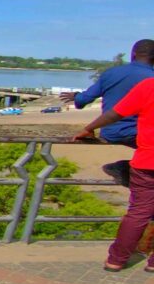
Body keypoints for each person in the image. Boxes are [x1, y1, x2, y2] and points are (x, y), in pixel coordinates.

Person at [73, 77, 154, 273]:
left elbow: (115, 113)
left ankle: (116, 260)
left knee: (138, 213)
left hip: (147, 161)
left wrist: (88, 128)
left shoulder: (148, 85)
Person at [61, 39, 154, 186]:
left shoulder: (111, 73)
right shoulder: (151, 78)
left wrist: (77, 96)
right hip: (139, 134)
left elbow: (84, 100)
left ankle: (129, 170)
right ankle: (126, 168)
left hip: (109, 131)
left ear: (133, 54)